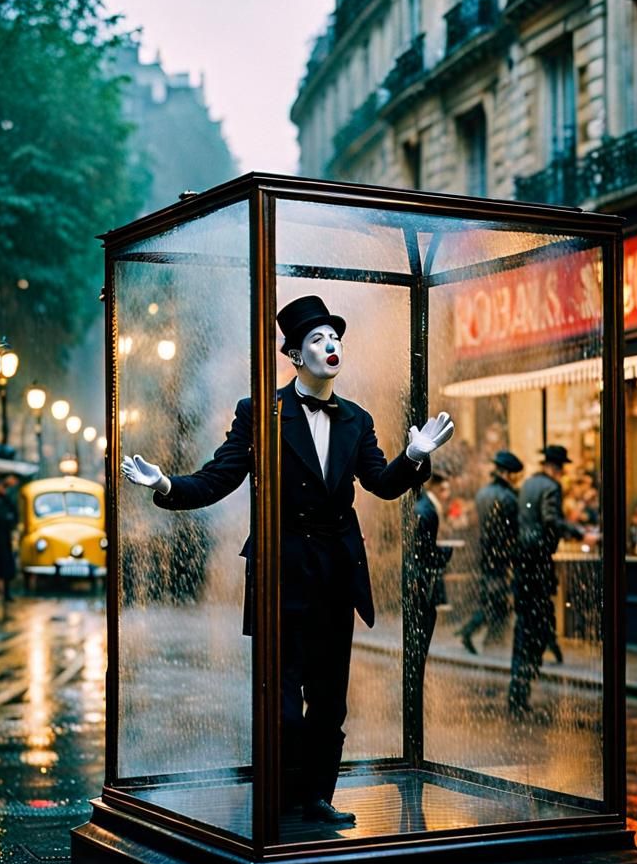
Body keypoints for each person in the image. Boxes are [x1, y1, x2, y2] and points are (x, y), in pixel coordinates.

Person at [122, 294, 453, 826]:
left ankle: (317, 796)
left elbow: (381, 484)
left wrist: (414, 457)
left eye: (337, 338)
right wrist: (165, 485)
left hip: (337, 576)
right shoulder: (260, 411)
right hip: (281, 575)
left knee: (330, 701)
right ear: (295, 355)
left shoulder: (357, 420)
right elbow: (218, 477)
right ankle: (281, 790)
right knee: (281, 702)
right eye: (320, 339)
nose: (333, 345)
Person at [510, 445, 594, 713]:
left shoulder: (528, 484)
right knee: (534, 627)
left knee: (525, 626)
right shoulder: (552, 488)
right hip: (538, 563)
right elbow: (550, 519)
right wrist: (579, 533)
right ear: (557, 467)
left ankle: (518, 689)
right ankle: (521, 691)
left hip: (524, 561)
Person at [456, 450, 523, 655]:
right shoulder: (509, 498)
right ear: (507, 473)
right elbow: (514, 530)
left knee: (493, 598)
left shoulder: (483, 493)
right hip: (501, 556)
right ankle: (470, 632)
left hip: (485, 553)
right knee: (495, 599)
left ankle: (489, 638)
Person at [414, 470, 454, 670]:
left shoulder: (425, 507)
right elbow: (425, 552)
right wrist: (446, 553)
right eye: (445, 488)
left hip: (423, 581)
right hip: (424, 582)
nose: (448, 493)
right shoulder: (427, 510)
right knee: (423, 633)